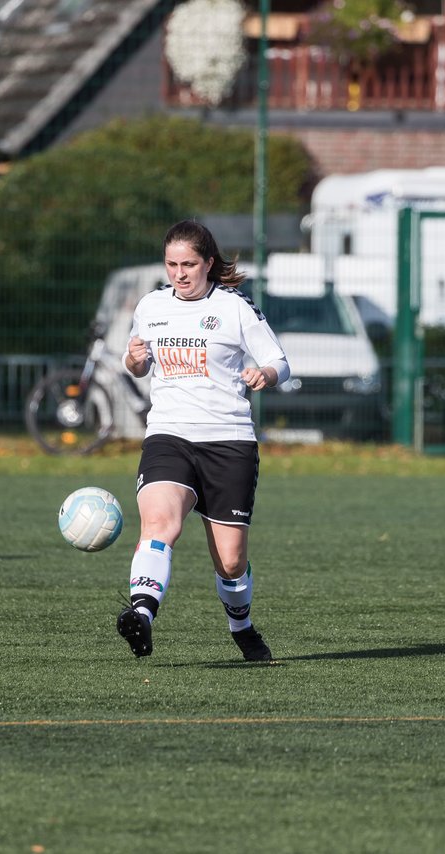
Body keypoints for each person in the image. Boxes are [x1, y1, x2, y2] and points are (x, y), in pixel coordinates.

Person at [117, 220, 291, 662]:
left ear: (209, 263)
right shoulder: (151, 306)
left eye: (189, 264)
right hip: (168, 436)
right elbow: (136, 363)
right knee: (160, 525)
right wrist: (134, 360)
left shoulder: (234, 308)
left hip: (228, 442)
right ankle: (141, 614)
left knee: (230, 563)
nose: (180, 273)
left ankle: (242, 626)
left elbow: (279, 361)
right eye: (172, 264)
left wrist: (264, 373)